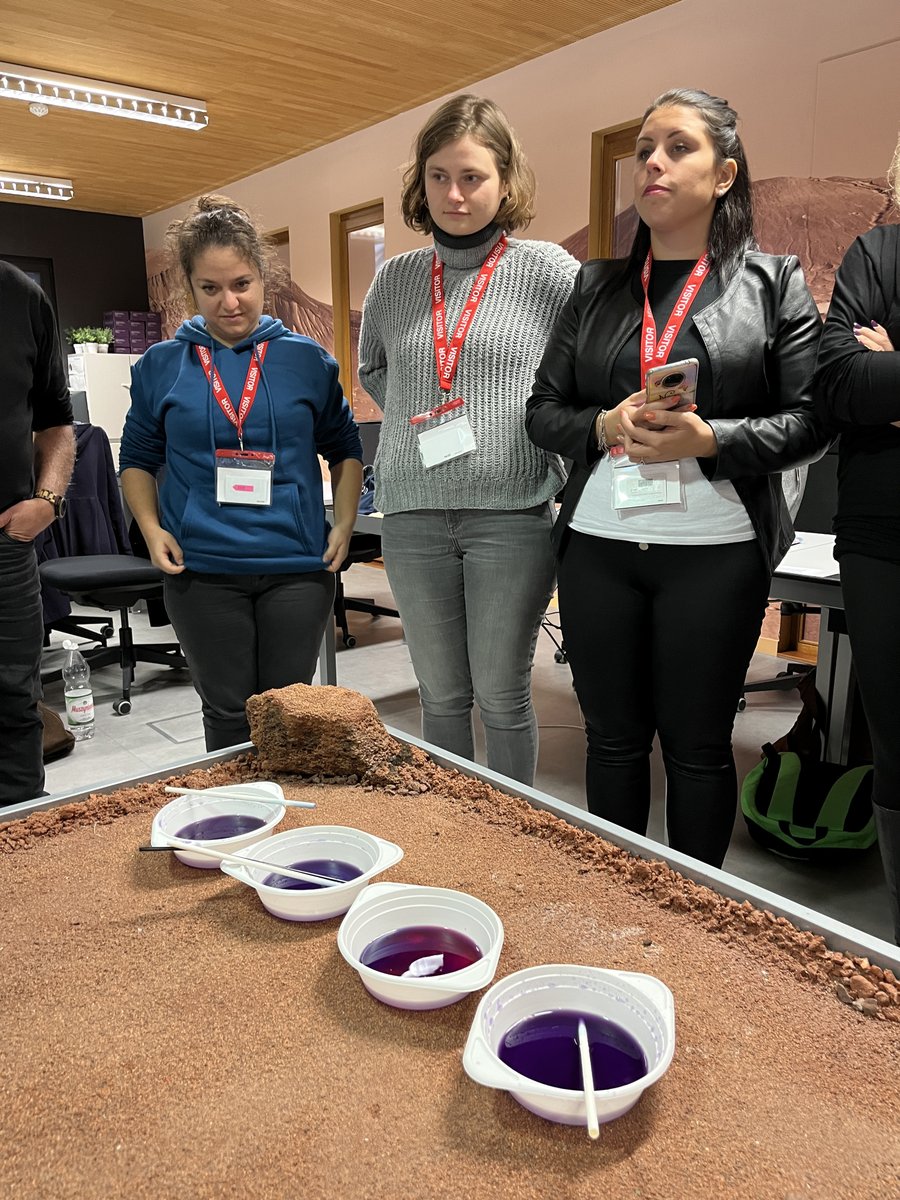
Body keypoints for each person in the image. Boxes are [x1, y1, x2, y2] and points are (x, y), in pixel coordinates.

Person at [526, 89, 826, 867]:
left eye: (678, 147)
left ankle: (699, 918)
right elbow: (542, 411)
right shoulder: (593, 287)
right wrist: (601, 424)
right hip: (599, 546)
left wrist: (709, 438)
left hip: (716, 553)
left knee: (698, 747)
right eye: (645, 147)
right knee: (614, 742)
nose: (652, 161)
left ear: (724, 174)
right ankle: (618, 903)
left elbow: (811, 421)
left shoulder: (772, 282)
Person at [357, 94, 579, 786]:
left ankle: (513, 837)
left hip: (510, 518)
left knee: (504, 695)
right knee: (442, 696)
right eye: (439, 177)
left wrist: (501, 437)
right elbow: (374, 367)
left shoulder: (549, 274)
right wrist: (424, 423)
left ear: (505, 181)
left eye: (473, 177)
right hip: (414, 517)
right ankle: (451, 829)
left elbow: (576, 381)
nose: (455, 194)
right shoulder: (394, 280)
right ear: (420, 184)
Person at [120, 195, 362, 751]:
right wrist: (152, 530)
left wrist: (344, 523)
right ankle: (234, 832)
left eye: (242, 284)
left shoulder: (307, 360)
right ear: (190, 288)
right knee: (228, 716)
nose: (229, 302)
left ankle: (285, 830)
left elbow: (345, 448)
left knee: (287, 715)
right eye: (211, 288)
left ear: (263, 279)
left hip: (296, 567)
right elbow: (135, 458)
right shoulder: (161, 365)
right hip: (202, 570)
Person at [814, 133, 900, 942]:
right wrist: (872, 377)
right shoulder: (876, 252)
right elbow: (842, 384)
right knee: (895, 744)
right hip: (882, 534)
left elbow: (877, 384)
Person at [0, 261, 75, 805]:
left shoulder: (21, 296)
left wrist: (46, 501)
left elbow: (55, 420)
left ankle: (23, 844)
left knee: (13, 699)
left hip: (5, 542)